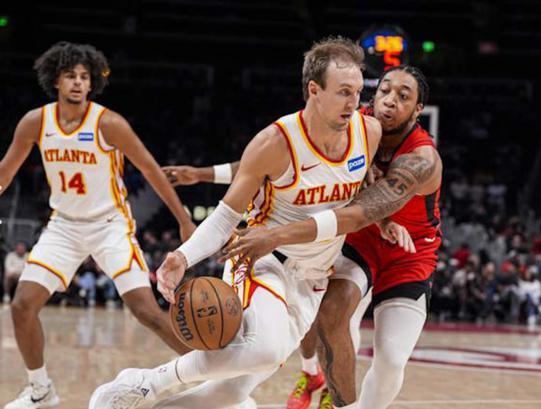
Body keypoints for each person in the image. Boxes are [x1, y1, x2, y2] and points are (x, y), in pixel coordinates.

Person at [89, 36, 381, 409]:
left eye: (357, 92)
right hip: (263, 261)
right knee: (264, 350)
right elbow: (226, 216)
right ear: (314, 90)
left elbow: (364, 189)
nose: (354, 102)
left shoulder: (368, 134)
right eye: (343, 92)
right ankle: (145, 381)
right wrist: (182, 256)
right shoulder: (275, 143)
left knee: (230, 392)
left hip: (314, 278)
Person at [222, 65, 442, 409]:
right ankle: (324, 386)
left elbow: (358, 212)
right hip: (360, 243)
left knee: (390, 360)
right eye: (384, 90)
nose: (389, 101)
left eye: (403, 97)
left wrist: (275, 235)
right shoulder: (354, 124)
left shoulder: (422, 158)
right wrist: (202, 174)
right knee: (329, 312)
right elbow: (276, 161)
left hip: (408, 255)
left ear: (418, 110)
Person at [0, 41, 196, 409]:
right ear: (55, 80)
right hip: (63, 226)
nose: (78, 82)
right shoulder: (35, 122)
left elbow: (151, 170)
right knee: (22, 305)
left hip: (110, 225)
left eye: (84, 77)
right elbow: (5, 172)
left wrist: (184, 220)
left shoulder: (108, 123)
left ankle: (218, 374)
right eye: (70, 76)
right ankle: (40, 390)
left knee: (146, 312)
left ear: (92, 83)